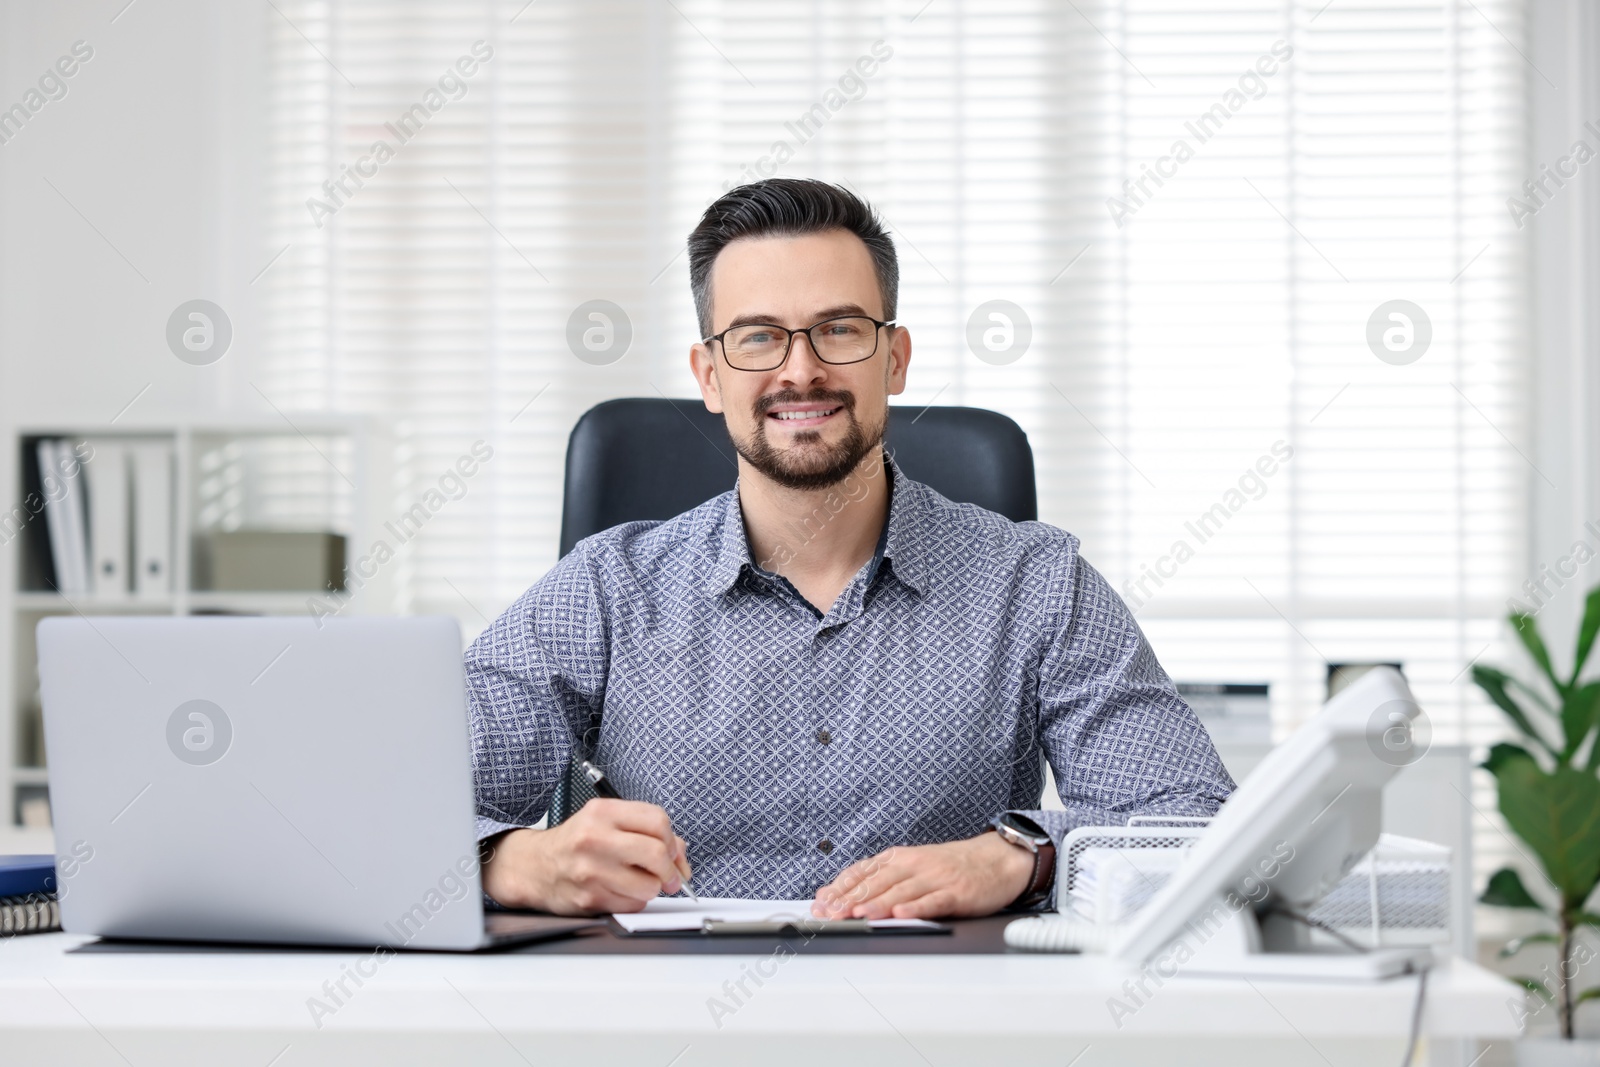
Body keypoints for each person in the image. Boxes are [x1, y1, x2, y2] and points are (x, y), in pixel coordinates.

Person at [470, 177, 1234, 919]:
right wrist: (514, 859)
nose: (801, 370)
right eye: (758, 336)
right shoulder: (606, 589)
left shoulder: (1038, 584)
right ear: (710, 375)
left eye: (838, 329)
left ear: (895, 357)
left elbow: (1198, 827)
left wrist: (1022, 855)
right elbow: (387, 809)